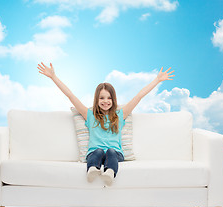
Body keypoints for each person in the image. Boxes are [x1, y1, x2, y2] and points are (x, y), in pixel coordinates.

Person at [37, 62, 174, 186]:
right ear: (96, 100)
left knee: (110, 151)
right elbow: (71, 96)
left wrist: (157, 80)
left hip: (115, 154)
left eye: (109, 98)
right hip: (94, 154)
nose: (105, 101)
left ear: (113, 100)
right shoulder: (89, 115)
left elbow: (138, 96)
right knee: (97, 151)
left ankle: (110, 172)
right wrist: (53, 77)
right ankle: (92, 169)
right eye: (102, 98)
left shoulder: (120, 115)